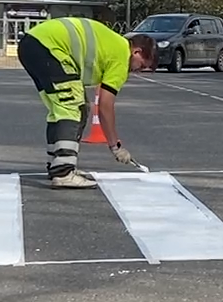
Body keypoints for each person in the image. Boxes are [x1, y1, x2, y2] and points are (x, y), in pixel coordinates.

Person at [16, 17, 157, 187]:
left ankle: (58, 164)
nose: (137, 71)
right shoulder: (122, 55)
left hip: (33, 44)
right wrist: (115, 146)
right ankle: (63, 172)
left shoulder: (114, 43)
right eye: (141, 66)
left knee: (61, 110)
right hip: (48, 48)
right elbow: (105, 105)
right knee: (72, 107)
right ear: (137, 52)